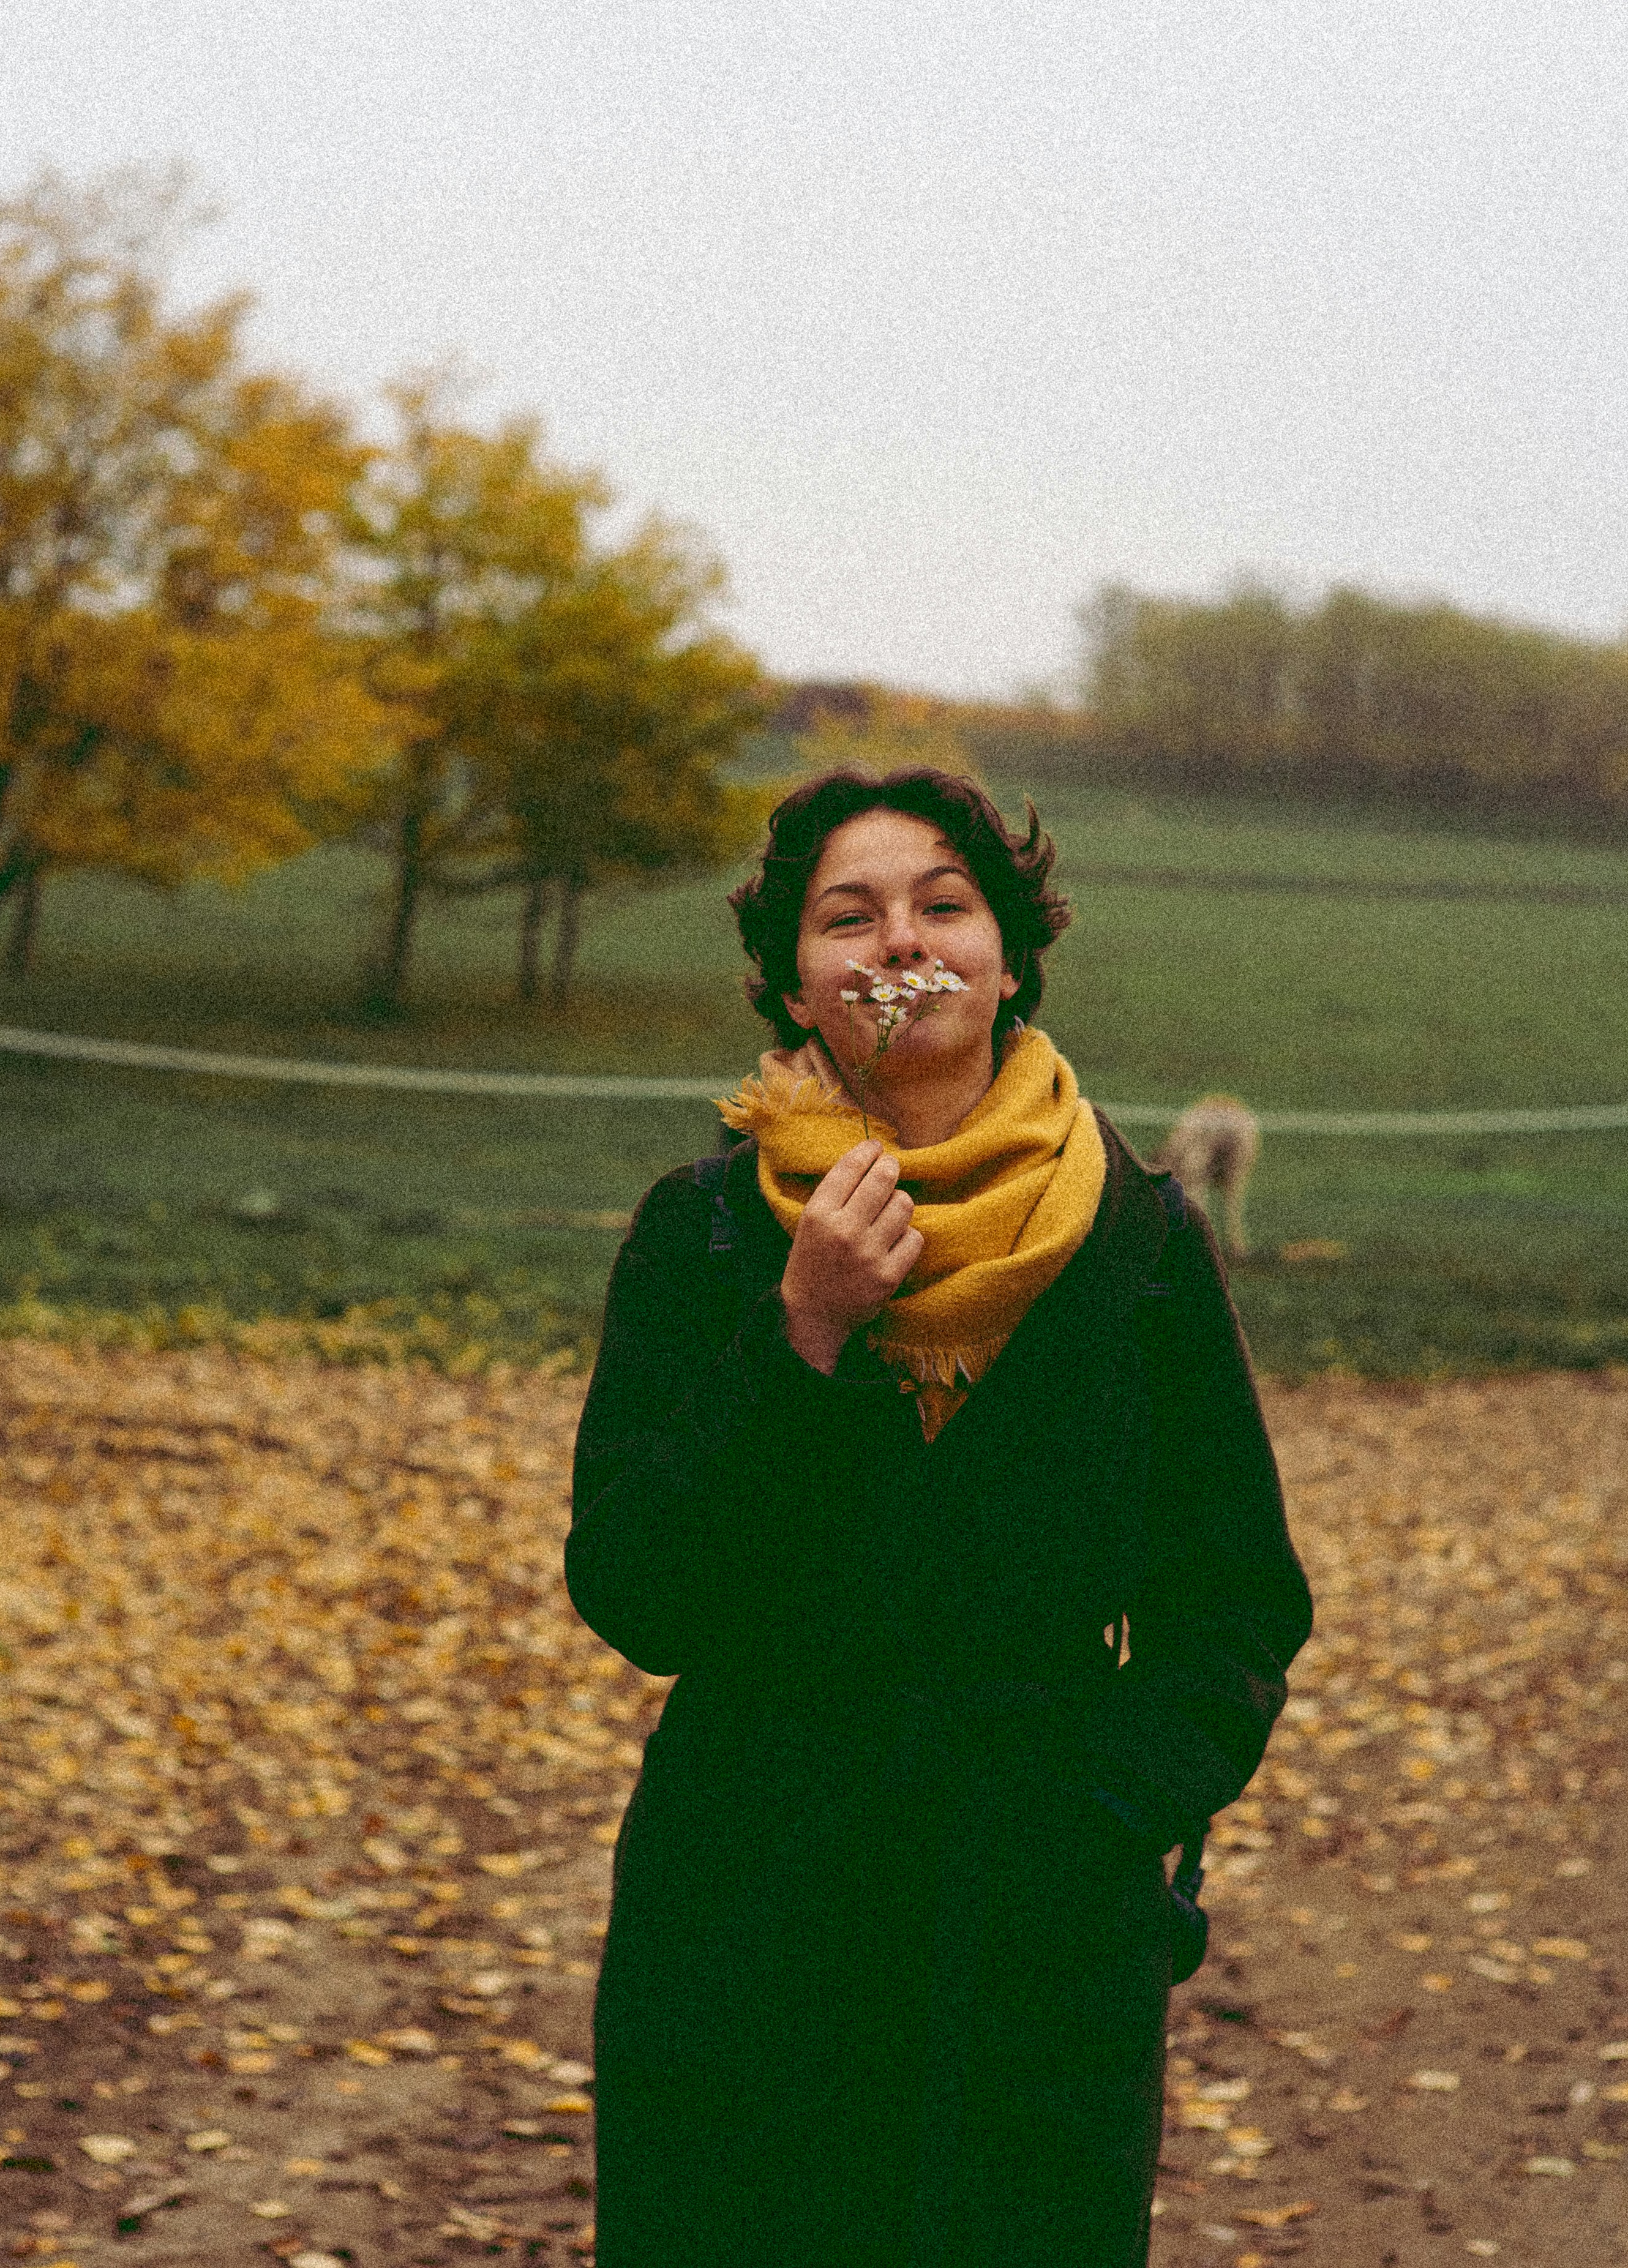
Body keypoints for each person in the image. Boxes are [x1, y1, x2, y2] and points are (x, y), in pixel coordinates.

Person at [566, 765, 1314, 2266]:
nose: (900, 942)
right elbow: (635, 1587)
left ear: (1011, 955)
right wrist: (801, 1333)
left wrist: (1109, 1821)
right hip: (751, 1890)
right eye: (849, 917)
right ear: (796, 980)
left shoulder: (1139, 1238)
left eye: (944, 906)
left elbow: (1235, 1598)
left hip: (1033, 1917)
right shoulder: (703, 1231)